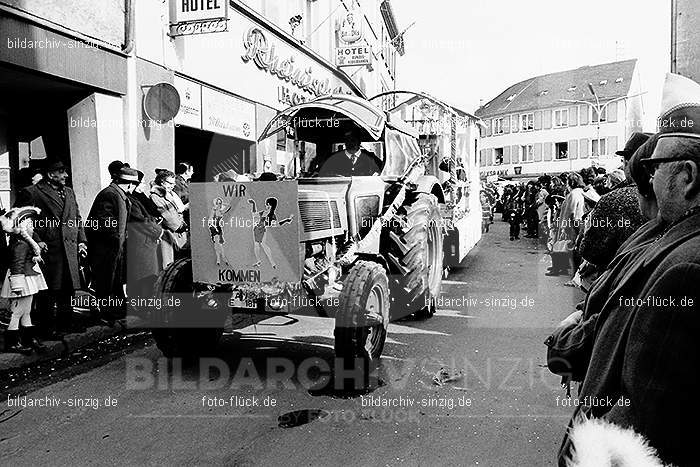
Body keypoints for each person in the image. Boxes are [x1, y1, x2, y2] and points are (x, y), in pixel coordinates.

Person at [556, 73, 700, 467]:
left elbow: (643, 423)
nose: (649, 178)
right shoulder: (669, 236)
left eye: (657, 166)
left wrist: (570, 341)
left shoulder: (686, 267)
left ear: (686, 176)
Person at [16, 161, 88, 336]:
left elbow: (76, 217)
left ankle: (66, 323)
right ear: (50, 174)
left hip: (69, 247)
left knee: (68, 288)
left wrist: (81, 241)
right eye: (61, 172)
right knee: (48, 291)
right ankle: (45, 328)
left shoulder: (69, 192)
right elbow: (22, 219)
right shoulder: (32, 192)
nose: (66, 176)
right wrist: (37, 240)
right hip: (48, 249)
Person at [577, 133, 651, 270]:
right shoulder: (672, 195)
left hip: (620, 280)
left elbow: (590, 251)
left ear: (628, 163)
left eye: (623, 162)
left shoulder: (613, 200)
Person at [86, 166, 139, 322]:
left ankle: (116, 311)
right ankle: (104, 314)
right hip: (105, 249)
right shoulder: (109, 194)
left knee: (114, 281)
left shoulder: (119, 194)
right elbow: (104, 221)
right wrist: (117, 237)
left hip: (115, 248)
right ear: (130, 184)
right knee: (105, 281)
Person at [1, 207, 47, 354]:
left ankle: (27, 338)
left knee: (26, 310)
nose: (33, 227)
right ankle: (12, 342)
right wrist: (17, 284)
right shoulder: (21, 244)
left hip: (27, 277)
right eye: (30, 225)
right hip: (21, 278)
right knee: (18, 311)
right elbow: (17, 264)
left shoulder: (26, 242)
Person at [126, 170, 163, 301]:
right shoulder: (131, 200)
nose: (143, 186)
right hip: (142, 243)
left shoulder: (135, 198)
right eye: (141, 183)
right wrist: (158, 230)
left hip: (145, 241)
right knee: (144, 277)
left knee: (145, 277)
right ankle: (142, 305)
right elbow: (141, 221)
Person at [547, 173, 585, 276]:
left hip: (570, 225)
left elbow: (570, 212)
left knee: (561, 246)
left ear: (571, 182)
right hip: (578, 223)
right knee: (571, 248)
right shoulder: (581, 192)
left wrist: (563, 227)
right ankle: (563, 268)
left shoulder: (573, 194)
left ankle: (561, 270)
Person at [150, 169, 188, 268]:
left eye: (173, 183)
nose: (173, 185)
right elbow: (168, 216)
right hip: (167, 233)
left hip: (175, 231)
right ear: (162, 182)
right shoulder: (156, 196)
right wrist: (180, 226)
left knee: (176, 261)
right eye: (170, 183)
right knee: (167, 262)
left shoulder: (170, 193)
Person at [248, 197, 293, 269]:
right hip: (256, 230)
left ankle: (272, 262)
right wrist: (253, 204)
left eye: (269, 205)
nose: (267, 206)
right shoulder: (263, 212)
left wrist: (287, 220)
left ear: (273, 206)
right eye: (266, 205)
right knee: (256, 245)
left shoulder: (272, 215)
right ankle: (259, 261)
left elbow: (277, 224)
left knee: (263, 245)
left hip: (262, 230)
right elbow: (254, 214)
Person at [317, 129, 381, 177]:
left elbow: (380, 173)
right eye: (348, 139)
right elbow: (321, 175)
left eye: (353, 139)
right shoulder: (333, 158)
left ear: (359, 141)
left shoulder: (371, 158)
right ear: (345, 141)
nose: (351, 142)